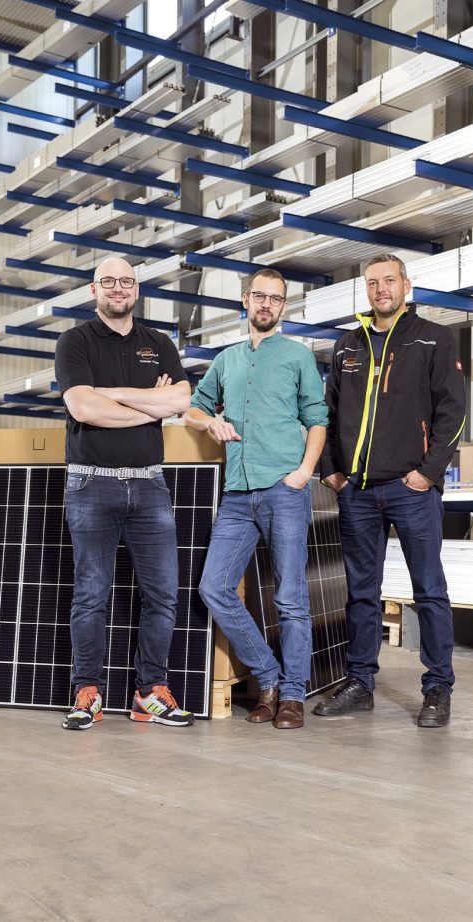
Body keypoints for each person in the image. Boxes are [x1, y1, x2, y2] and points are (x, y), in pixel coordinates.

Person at [313, 253, 466, 727]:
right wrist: (331, 469)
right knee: (361, 593)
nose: (381, 288)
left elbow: (453, 411)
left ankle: (438, 687)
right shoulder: (347, 345)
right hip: (357, 491)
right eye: (372, 282)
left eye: (389, 280)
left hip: (411, 489)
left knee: (429, 590)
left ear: (406, 285)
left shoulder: (434, 338)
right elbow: (327, 412)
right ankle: (360, 682)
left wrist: (429, 472)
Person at [53, 256, 195, 730]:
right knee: (91, 595)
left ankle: (150, 692)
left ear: (136, 289)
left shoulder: (159, 343)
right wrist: (150, 404)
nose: (119, 288)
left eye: (127, 281)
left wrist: (108, 393)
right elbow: (82, 407)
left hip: (150, 484)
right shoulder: (75, 341)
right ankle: (87, 691)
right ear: (94, 289)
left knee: (163, 596)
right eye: (109, 281)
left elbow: (180, 400)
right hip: (90, 483)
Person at [186, 269, 328, 730]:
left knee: (290, 598)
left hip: (284, 489)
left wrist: (303, 473)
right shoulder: (226, 359)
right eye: (260, 296)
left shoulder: (298, 356)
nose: (267, 304)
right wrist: (210, 422)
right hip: (237, 494)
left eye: (276, 298)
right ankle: (268, 678)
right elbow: (193, 408)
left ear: (283, 306)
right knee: (214, 588)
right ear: (245, 300)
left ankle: (292, 695)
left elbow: (317, 418)